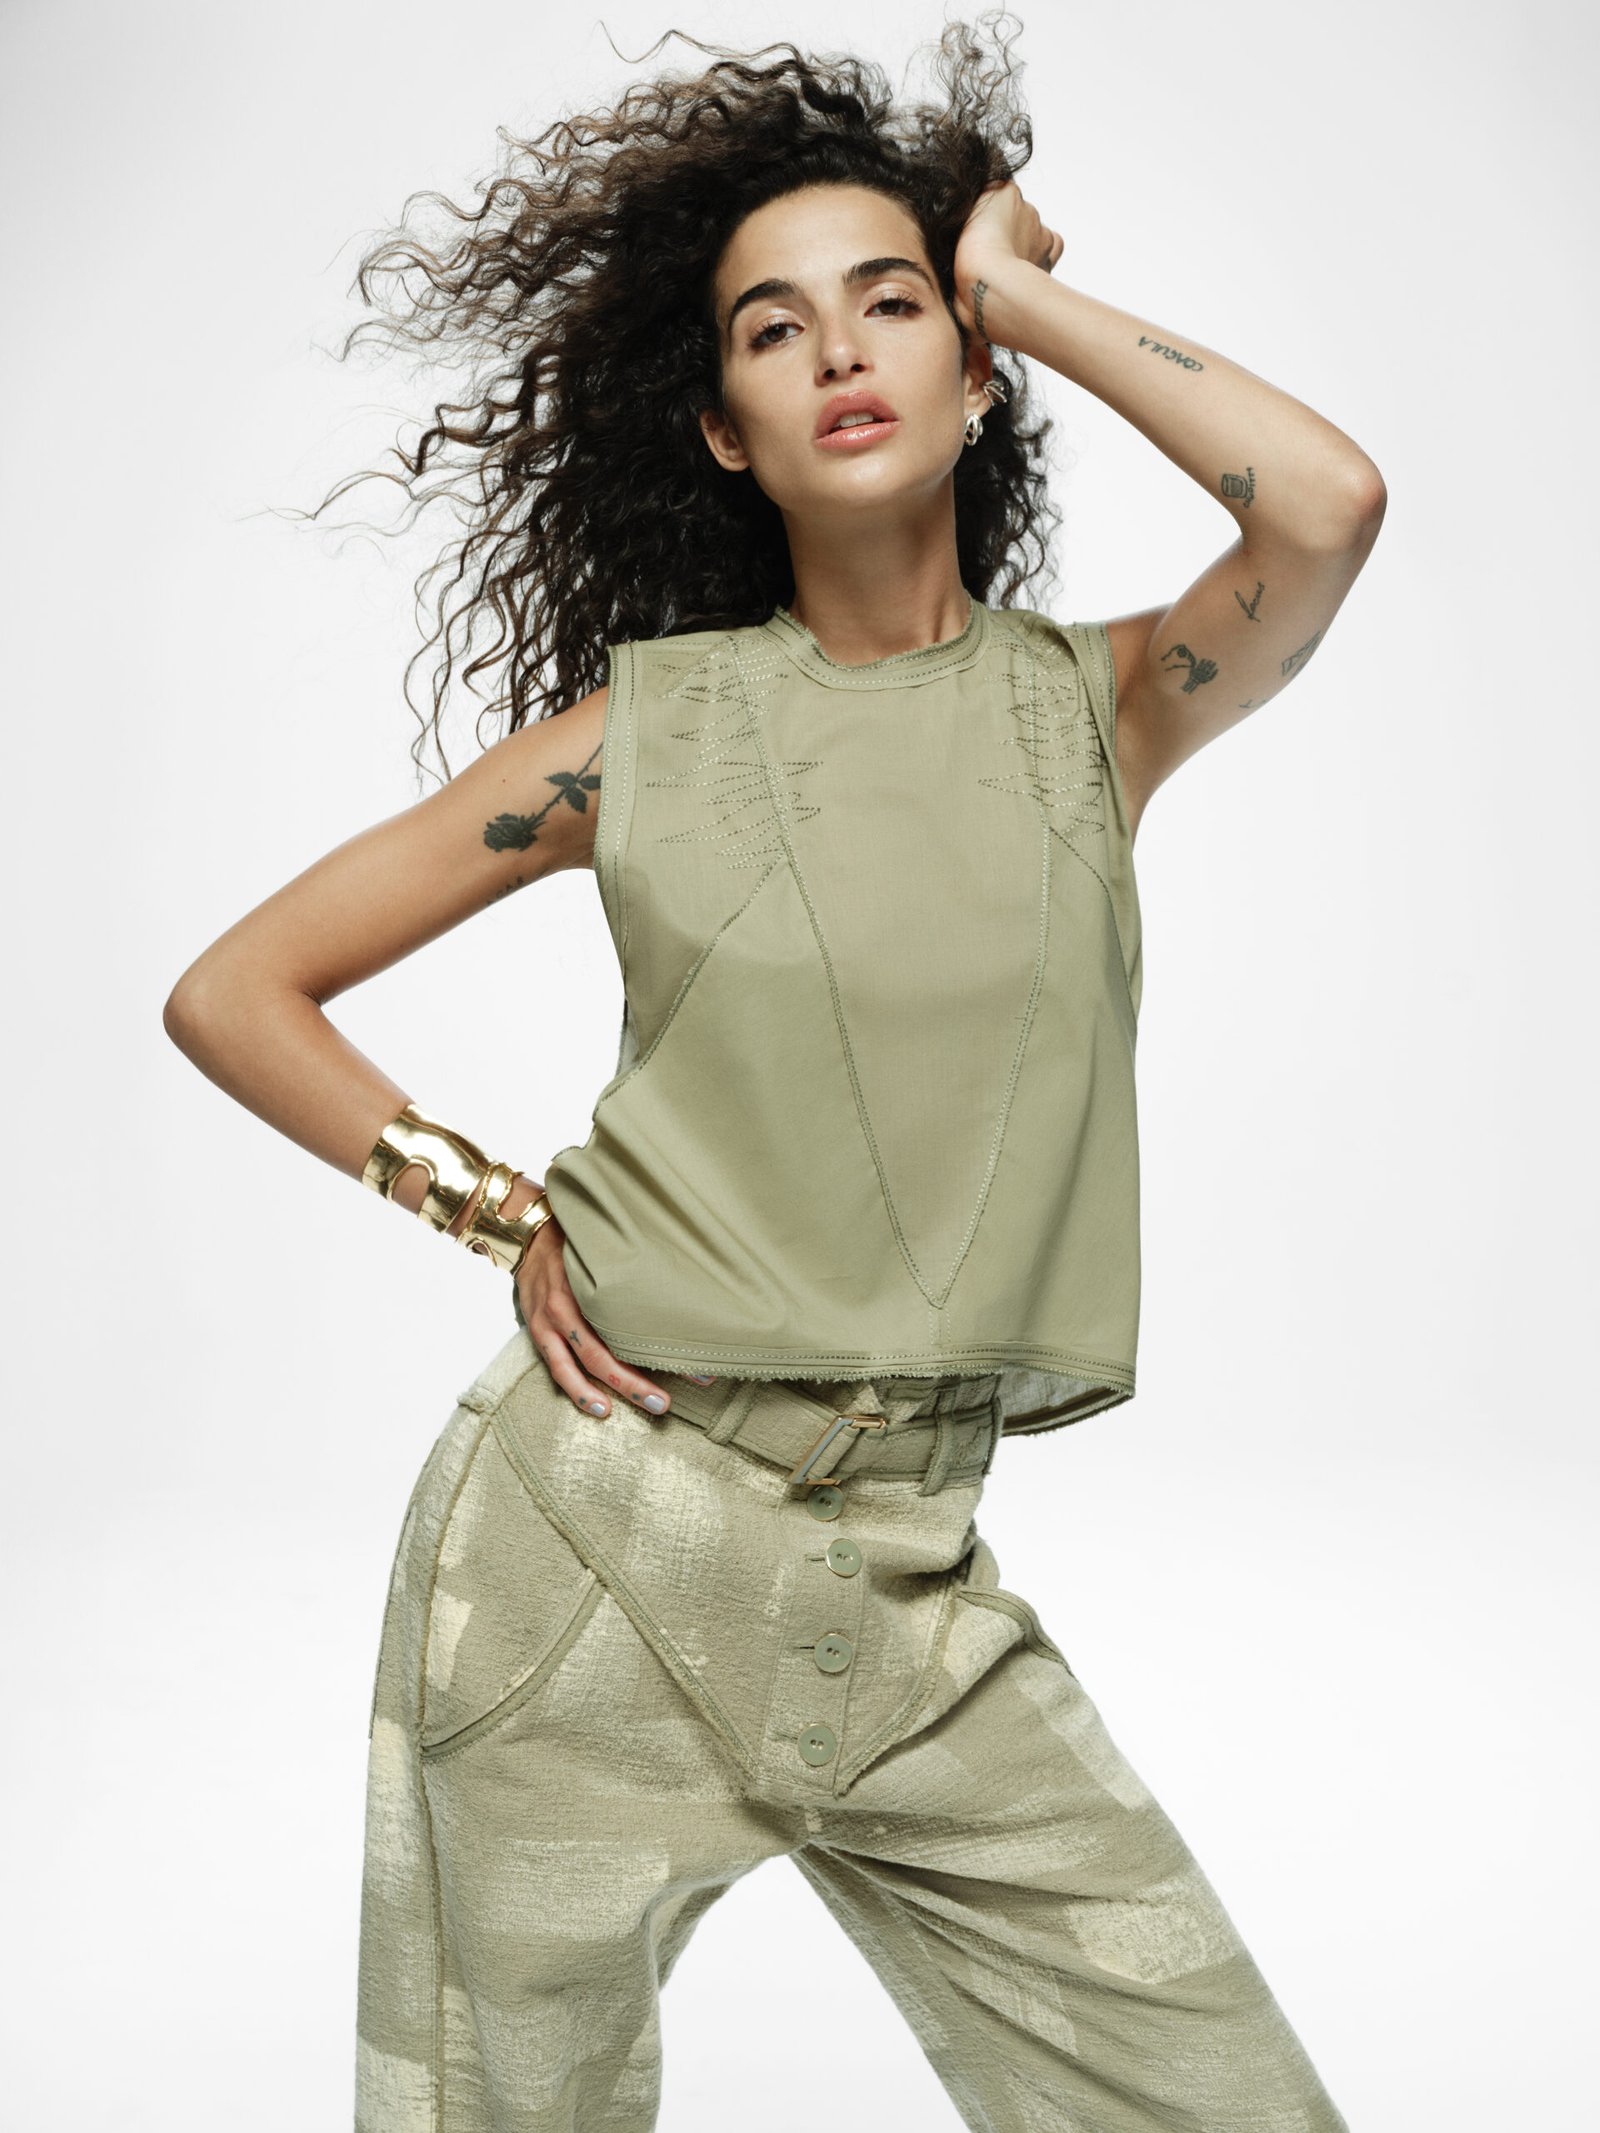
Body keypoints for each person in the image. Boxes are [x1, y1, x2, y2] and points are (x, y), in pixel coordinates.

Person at [163, 18, 1384, 2130]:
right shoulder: (638, 737)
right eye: (771, 326)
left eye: (888, 302)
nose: (837, 348)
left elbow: (1330, 500)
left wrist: (1012, 285)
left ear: (971, 374)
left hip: (910, 1585)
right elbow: (236, 988)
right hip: (587, 1545)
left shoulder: (1101, 707)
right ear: (724, 433)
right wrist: (496, 1210)